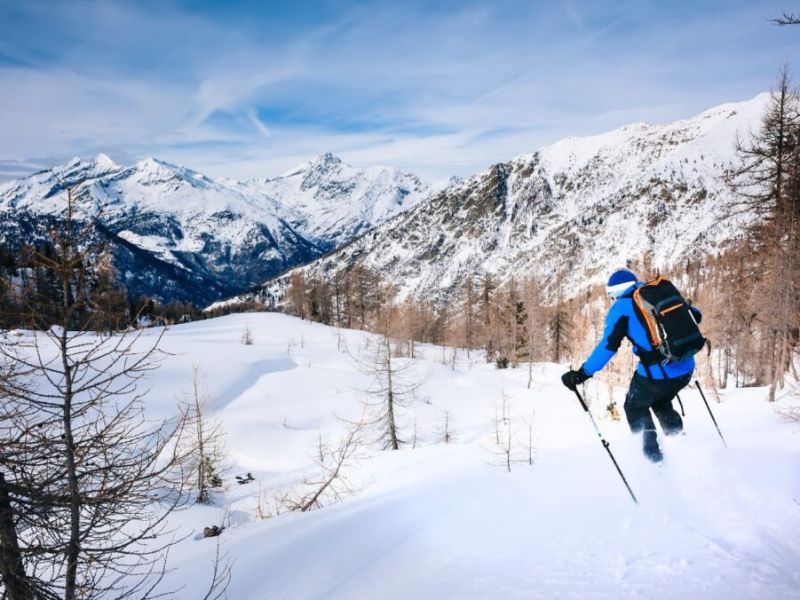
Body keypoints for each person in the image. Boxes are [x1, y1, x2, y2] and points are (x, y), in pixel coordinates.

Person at [560, 268, 701, 462]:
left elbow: (607, 347)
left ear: (614, 293)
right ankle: (680, 445)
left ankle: (654, 461)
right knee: (660, 401)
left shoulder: (621, 308)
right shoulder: (657, 293)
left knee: (635, 407)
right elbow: (696, 316)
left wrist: (582, 373)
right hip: (686, 366)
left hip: (659, 374)